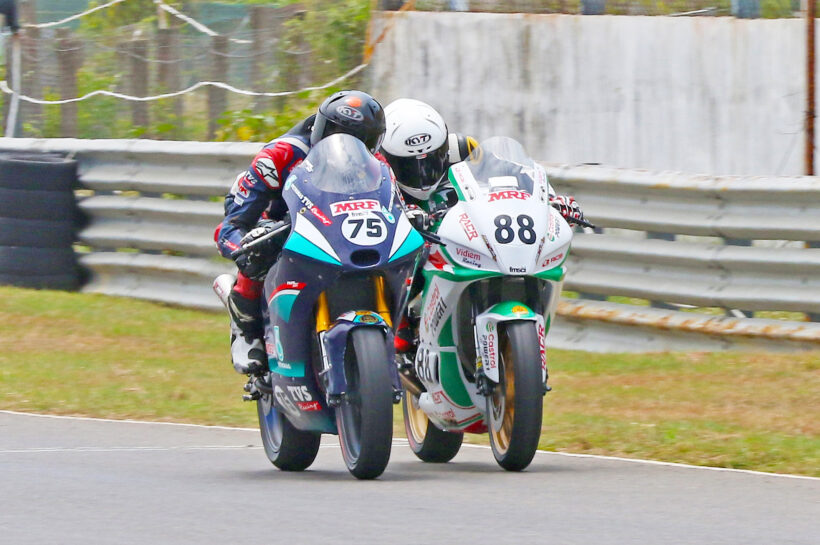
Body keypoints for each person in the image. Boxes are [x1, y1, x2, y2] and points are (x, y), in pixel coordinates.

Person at [379, 98, 585, 354]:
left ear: (444, 146)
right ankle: (397, 323)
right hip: (416, 244)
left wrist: (552, 200)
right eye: (409, 165)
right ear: (387, 158)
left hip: (466, 238)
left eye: (432, 159)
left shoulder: (464, 149)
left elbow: (516, 172)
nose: (423, 172)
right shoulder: (377, 171)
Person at [215, 90, 387, 374]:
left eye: (361, 141)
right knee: (260, 246)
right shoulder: (280, 155)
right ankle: (246, 329)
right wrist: (244, 245)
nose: (345, 147)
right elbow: (230, 228)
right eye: (335, 135)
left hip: (335, 219)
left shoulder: (377, 163)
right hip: (276, 214)